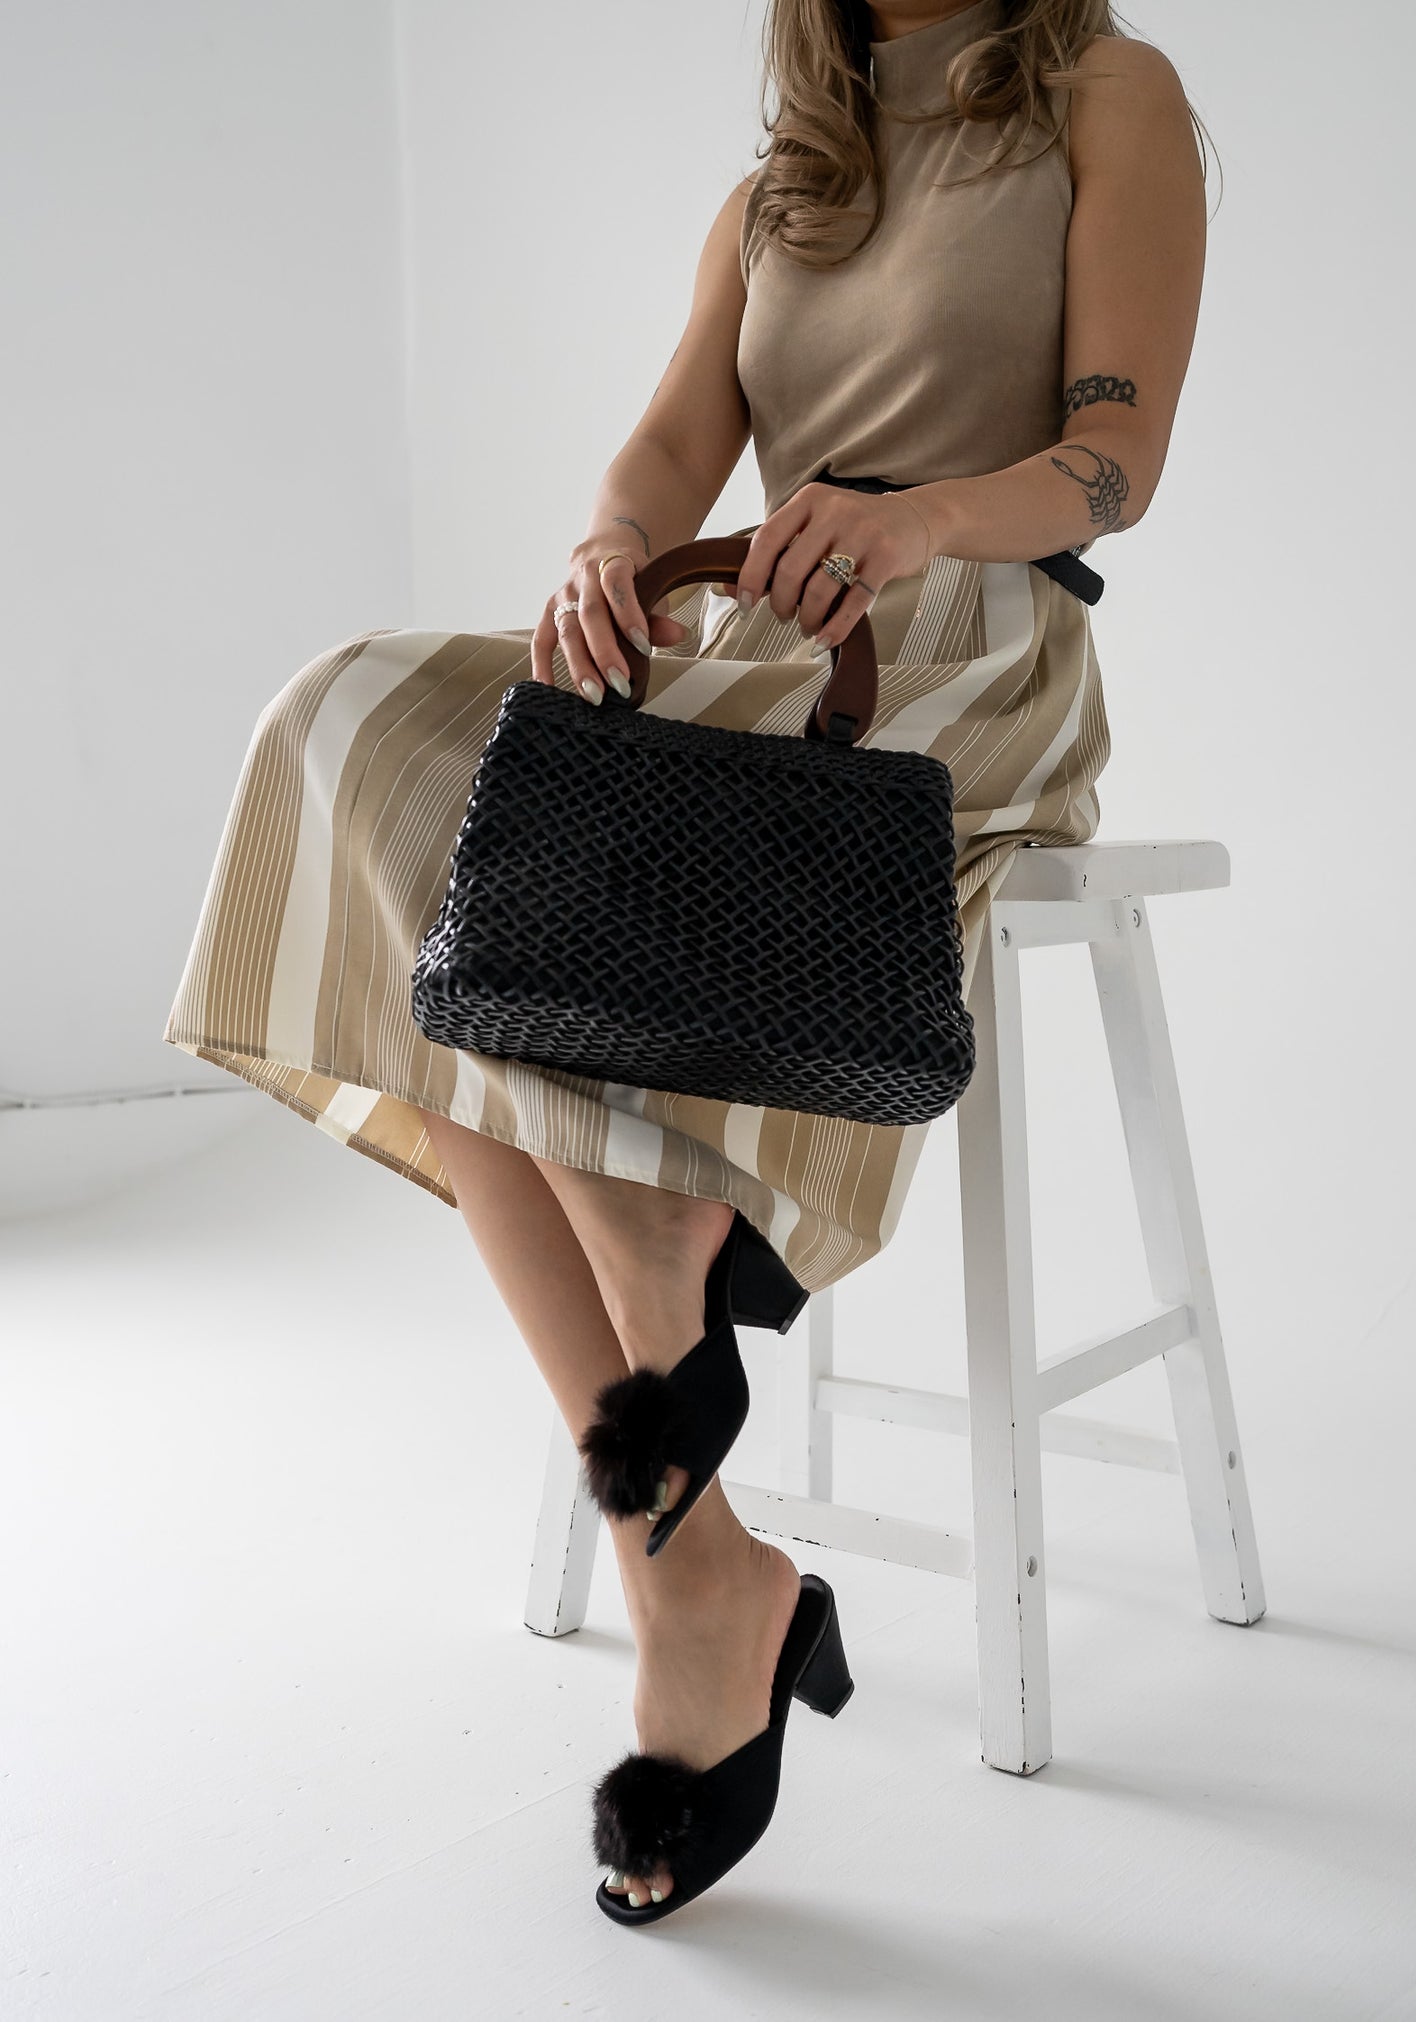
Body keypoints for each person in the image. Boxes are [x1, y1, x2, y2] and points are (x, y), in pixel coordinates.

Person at [162, 0, 1208, 1925]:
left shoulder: (1104, 96)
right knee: (366, 745)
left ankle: (678, 1434)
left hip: (961, 654)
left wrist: (914, 526)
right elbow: (667, 440)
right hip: (741, 647)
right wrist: (605, 550)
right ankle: (696, 1554)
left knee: (543, 888)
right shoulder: (780, 183)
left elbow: (1111, 462)